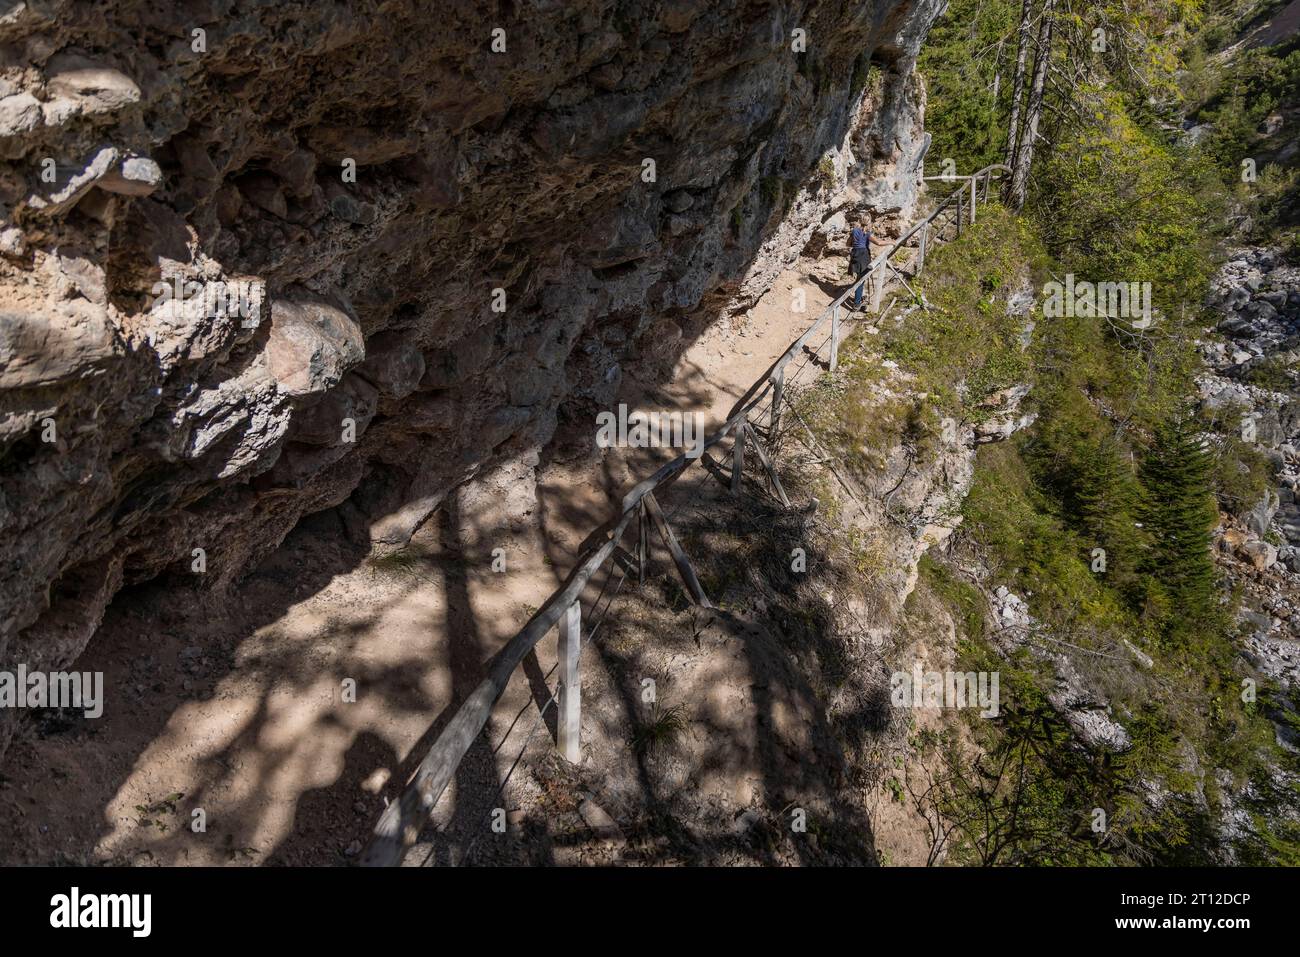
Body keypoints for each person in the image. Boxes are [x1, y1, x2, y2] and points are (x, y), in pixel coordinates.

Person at [849, 221, 891, 309]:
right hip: (863, 256)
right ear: (869, 223)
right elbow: (878, 243)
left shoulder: (854, 231)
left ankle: (859, 297)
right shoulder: (867, 233)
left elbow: (848, 243)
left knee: (859, 278)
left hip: (855, 254)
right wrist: (891, 242)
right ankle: (856, 303)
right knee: (861, 280)